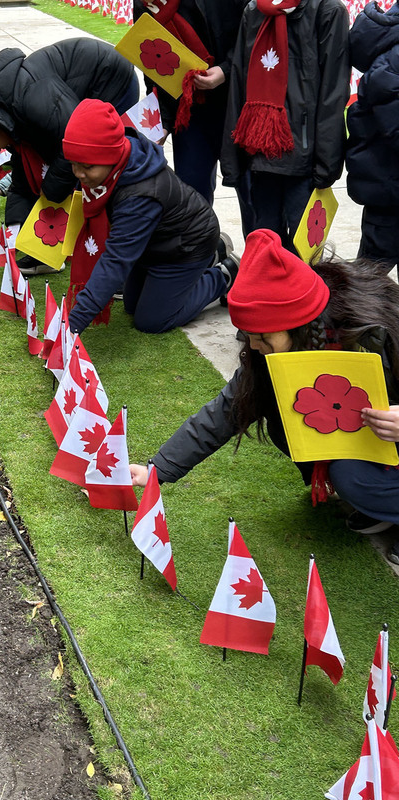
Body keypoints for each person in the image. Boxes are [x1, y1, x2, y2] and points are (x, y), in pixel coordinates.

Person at [130, 228, 399, 563]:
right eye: (248, 337)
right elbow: (227, 409)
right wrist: (156, 469)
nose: (254, 348)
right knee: (289, 424)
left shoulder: (382, 324)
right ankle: (376, 503)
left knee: (352, 475)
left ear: (301, 326)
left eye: (264, 339)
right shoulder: (273, 349)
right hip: (374, 441)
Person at [0, 38, 138, 275]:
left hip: (112, 81)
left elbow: (73, 142)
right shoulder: (7, 111)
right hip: (82, 95)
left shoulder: (30, 99)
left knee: (96, 169)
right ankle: (48, 252)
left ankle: (112, 256)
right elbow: (24, 173)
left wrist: (52, 190)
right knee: (66, 175)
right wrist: (13, 229)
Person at [61, 99, 240, 335]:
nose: (79, 174)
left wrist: (69, 328)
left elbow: (115, 262)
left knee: (151, 321)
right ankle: (216, 251)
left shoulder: (139, 196)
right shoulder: (120, 156)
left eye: (87, 166)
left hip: (186, 245)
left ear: (111, 156)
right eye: (73, 164)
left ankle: (224, 274)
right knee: (131, 305)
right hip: (153, 243)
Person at [220, 0, 350, 251]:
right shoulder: (254, 11)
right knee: (264, 247)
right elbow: (239, 80)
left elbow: (333, 92)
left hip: (304, 159)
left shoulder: (328, 11)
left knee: (304, 256)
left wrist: (327, 163)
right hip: (258, 154)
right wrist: (233, 158)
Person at [132, 0, 253, 234]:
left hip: (238, 102)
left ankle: (259, 263)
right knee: (192, 197)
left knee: (252, 194)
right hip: (188, 111)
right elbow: (151, 61)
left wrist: (226, 70)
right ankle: (200, 264)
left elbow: (253, 35)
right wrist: (162, 120)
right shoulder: (147, 4)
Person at [345, 0, 399, 275]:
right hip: (387, 188)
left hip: (385, 184)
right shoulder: (393, 58)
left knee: (370, 272)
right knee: (370, 276)